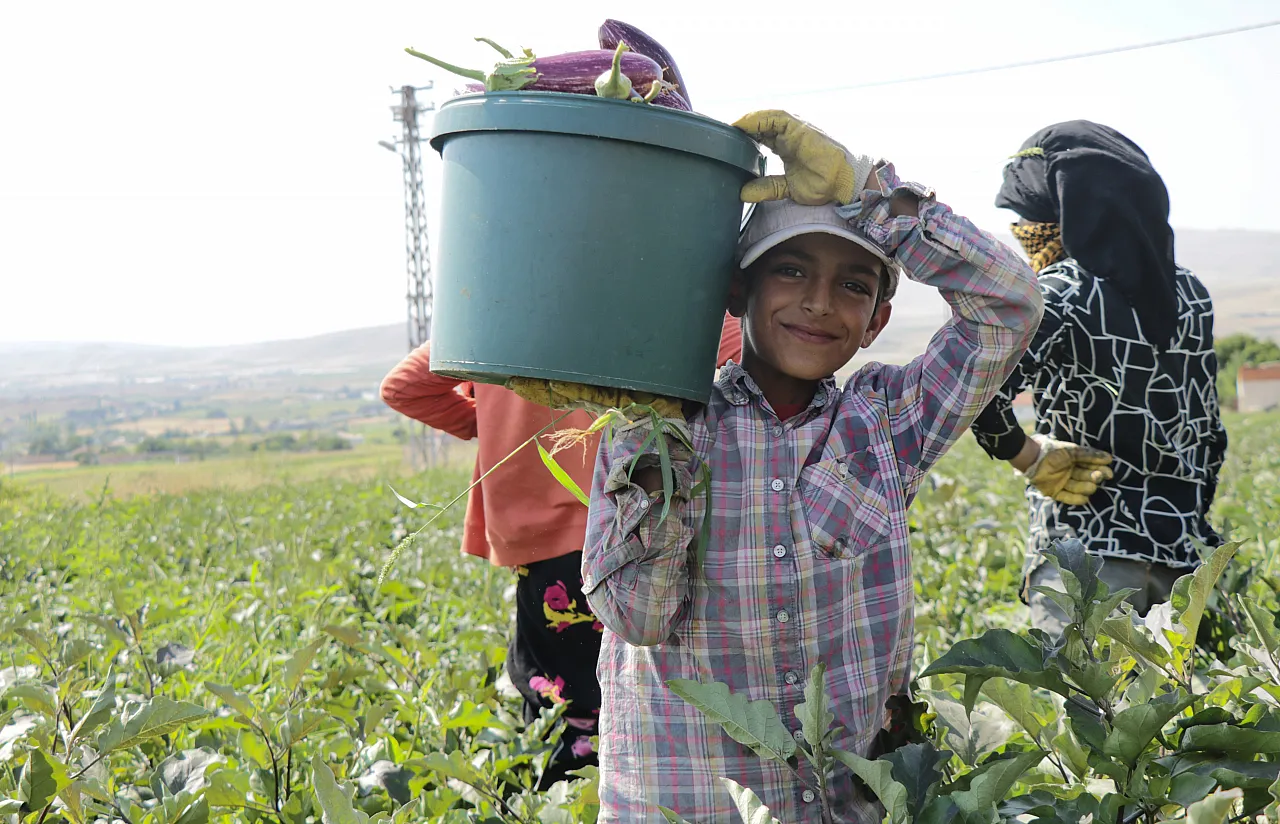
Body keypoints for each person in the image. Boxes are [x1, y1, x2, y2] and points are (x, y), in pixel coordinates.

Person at [581, 110, 1045, 823]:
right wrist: (657, 441)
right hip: (686, 804)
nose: (819, 302)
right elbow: (636, 616)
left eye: (854, 286)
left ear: (877, 322)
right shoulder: (666, 423)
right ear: (736, 294)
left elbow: (1009, 304)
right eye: (791, 271)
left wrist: (871, 195)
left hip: (842, 805)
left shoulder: (888, 422)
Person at [379, 313, 741, 788]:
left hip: (541, 547)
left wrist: (490, 423)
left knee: (560, 699)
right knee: (648, 690)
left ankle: (560, 799)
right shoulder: (654, 292)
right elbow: (739, 358)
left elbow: (403, 388)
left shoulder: (498, 311)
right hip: (634, 529)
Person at [970, 120, 1228, 634]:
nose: (1022, 231)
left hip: (1086, 559)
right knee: (1178, 712)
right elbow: (1209, 434)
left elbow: (977, 396)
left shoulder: (1060, 290)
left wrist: (1031, 457)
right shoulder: (1191, 294)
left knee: (1091, 711)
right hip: (1183, 569)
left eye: (1028, 216)